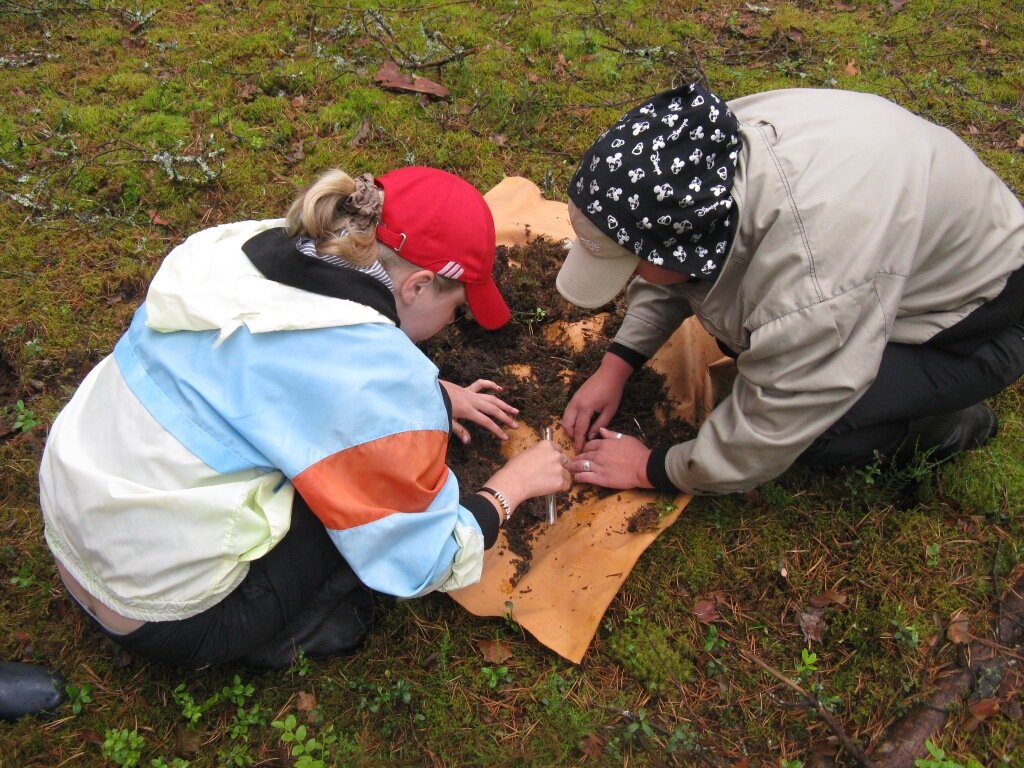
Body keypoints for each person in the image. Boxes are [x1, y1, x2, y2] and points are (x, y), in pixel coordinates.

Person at [39, 166, 571, 669]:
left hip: (74, 519)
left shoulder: (237, 247)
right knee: (343, 505)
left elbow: (271, 374)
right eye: (456, 308)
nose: (454, 322)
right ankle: (286, 632)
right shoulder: (376, 374)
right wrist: (510, 488)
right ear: (417, 286)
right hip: (164, 615)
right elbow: (425, 558)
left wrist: (433, 395)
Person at [558, 83, 1024, 495]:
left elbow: (773, 428)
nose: (634, 279)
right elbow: (669, 261)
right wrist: (618, 364)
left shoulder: (814, 280)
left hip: (985, 317)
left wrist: (653, 468)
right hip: (909, 252)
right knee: (743, 338)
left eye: (633, 267)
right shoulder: (698, 159)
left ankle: (948, 424)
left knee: (817, 431)